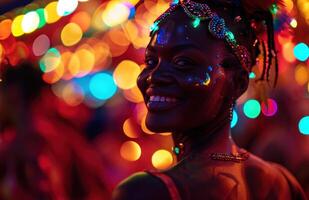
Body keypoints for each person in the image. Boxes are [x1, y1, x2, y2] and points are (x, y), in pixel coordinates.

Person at [112, 0, 307, 199]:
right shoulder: (281, 183)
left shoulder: (148, 192)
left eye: (183, 63)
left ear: (238, 82)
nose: (154, 76)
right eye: (151, 61)